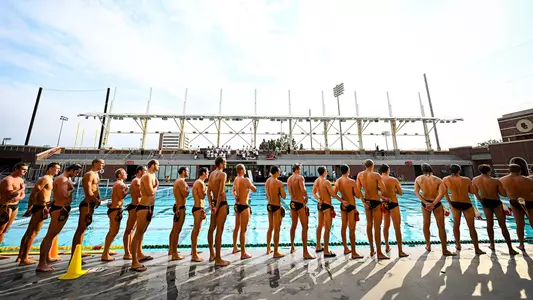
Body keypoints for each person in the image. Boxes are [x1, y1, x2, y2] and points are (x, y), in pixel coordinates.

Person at [36, 164, 82, 272]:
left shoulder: (64, 179)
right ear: (71, 170)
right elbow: (64, 195)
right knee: (50, 235)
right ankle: (41, 264)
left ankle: (47, 258)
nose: (77, 174)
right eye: (76, 172)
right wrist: (72, 189)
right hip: (60, 209)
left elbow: (57, 195)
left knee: (53, 235)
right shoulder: (63, 179)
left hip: (61, 208)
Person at [17, 162, 61, 265]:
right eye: (56, 168)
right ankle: (24, 259)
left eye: (59, 169)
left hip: (42, 206)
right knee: (33, 233)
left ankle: (21, 255)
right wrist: (30, 208)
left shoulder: (50, 179)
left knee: (29, 232)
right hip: (39, 207)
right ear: (50, 168)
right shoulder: (45, 178)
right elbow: (33, 194)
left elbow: (43, 194)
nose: (58, 170)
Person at [436, 164, 485, 254]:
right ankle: (477, 248)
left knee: (456, 225)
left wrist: (450, 202)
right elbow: (473, 191)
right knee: (471, 227)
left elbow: (444, 193)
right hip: (466, 203)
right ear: (459, 171)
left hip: (454, 203)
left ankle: (458, 244)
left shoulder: (445, 179)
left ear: (450, 171)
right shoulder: (466, 179)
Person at [472, 164, 517, 255]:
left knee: (489, 224)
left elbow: (475, 192)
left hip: (485, 202)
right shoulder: (495, 181)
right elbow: (503, 194)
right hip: (496, 202)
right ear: (489, 171)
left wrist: (481, 200)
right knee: (503, 225)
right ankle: (510, 248)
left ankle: (492, 244)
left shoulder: (475, 180)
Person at [414, 163, 455, 256]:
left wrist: (425, 203)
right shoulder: (438, 180)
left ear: (422, 170)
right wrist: (433, 204)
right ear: (431, 169)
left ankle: (428, 245)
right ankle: (444, 249)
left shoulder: (418, 179)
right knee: (441, 226)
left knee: (426, 223)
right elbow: (442, 193)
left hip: (425, 204)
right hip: (436, 203)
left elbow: (416, 192)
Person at [70, 159, 105, 263]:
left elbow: (96, 188)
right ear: (95, 163)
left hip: (92, 204)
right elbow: (88, 191)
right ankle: (73, 257)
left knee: (84, 229)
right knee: (80, 230)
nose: (103, 165)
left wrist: (99, 198)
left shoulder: (96, 174)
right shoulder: (89, 175)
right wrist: (96, 201)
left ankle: (79, 251)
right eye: (101, 163)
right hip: (87, 205)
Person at [130, 159, 159, 272]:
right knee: (138, 234)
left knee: (142, 233)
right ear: (152, 165)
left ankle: (140, 254)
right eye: (158, 165)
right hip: (143, 208)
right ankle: (134, 262)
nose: (159, 166)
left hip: (149, 207)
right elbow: (151, 192)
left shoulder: (152, 176)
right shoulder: (147, 176)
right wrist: (157, 185)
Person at [356, 159, 388, 259]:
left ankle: (371, 249)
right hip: (376, 201)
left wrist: (363, 202)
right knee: (377, 227)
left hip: (367, 202)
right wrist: (378, 190)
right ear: (372, 165)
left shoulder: (360, 175)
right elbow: (384, 189)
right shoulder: (376, 175)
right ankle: (379, 252)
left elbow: (358, 190)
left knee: (369, 224)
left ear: (365, 166)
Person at [500, 164, 533, 250]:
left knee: (520, 224)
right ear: (520, 170)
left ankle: (521, 244)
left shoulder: (502, 180)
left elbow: (503, 194)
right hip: (529, 201)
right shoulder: (528, 180)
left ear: (510, 170)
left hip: (515, 201)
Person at [333, 164, 363, 259]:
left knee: (343, 226)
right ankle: (354, 252)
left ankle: (346, 248)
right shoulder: (352, 182)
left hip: (343, 206)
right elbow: (358, 196)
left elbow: (333, 194)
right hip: (351, 206)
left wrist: (342, 201)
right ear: (348, 171)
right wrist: (359, 187)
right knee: (352, 229)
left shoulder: (338, 181)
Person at [379, 164, 409, 258]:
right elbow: (400, 193)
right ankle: (400, 251)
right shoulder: (393, 180)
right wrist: (394, 189)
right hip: (394, 203)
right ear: (388, 170)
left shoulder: (378, 179)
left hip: (384, 204)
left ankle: (387, 246)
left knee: (386, 226)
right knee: (397, 227)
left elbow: (376, 193)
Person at [0, 162, 28, 260]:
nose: (25, 171)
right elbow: (11, 194)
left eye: (26, 170)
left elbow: (22, 195)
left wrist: (19, 197)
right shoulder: (8, 180)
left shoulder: (20, 179)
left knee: (5, 230)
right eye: (23, 169)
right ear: (16, 169)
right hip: (5, 206)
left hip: (15, 206)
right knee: (0, 230)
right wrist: (21, 189)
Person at [312, 166, 341, 258]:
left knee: (320, 226)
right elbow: (332, 194)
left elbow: (313, 192)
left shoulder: (317, 181)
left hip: (320, 205)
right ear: (324, 172)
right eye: (326, 171)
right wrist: (342, 200)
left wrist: (318, 199)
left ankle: (318, 246)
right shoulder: (326, 182)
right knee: (327, 229)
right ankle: (326, 251)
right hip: (327, 205)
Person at [287, 164, 315, 259]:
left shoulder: (289, 179)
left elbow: (290, 192)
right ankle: (305, 252)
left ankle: (292, 247)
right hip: (299, 203)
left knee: (293, 225)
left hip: (292, 203)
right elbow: (303, 189)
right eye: (300, 169)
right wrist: (306, 196)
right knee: (305, 227)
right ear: (297, 169)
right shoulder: (300, 177)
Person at [101, 168, 128, 261]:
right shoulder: (121, 184)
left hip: (114, 209)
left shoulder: (117, 183)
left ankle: (107, 250)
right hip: (115, 210)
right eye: (124, 173)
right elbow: (121, 196)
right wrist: (128, 190)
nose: (126, 174)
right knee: (113, 232)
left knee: (111, 232)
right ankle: (105, 254)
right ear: (120, 175)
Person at [207, 157, 230, 267]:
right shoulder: (222, 174)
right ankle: (219, 259)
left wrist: (211, 205)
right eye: (225, 162)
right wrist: (216, 207)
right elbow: (221, 192)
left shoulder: (211, 174)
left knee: (212, 228)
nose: (226, 164)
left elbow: (208, 191)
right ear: (220, 164)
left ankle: (212, 253)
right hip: (221, 204)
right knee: (219, 230)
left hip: (214, 202)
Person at [232, 164, 257, 259]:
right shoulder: (246, 180)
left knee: (236, 227)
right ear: (242, 170)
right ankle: (243, 253)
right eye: (245, 169)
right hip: (244, 206)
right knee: (243, 230)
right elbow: (254, 189)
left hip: (237, 206)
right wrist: (251, 183)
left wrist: (235, 196)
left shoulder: (236, 179)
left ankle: (235, 247)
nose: (246, 170)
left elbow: (233, 191)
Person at [123, 165, 146, 260]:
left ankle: (132, 251)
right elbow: (139, 193)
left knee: (133, 230)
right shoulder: (136, 181)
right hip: (134, 207)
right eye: (145, 170)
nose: (146, 172)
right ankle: (127, 252)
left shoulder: (139, 181)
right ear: (140, 171)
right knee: (129, 230)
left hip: (137, 206)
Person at [265, 166, 286, 258]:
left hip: (269, 206)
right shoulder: (279, 182)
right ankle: (276, 252)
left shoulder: (267, 181)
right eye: (279, 171)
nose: (280, 173)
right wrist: (282, 189)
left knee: (270, 228)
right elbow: (284, 196)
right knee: (277, 229)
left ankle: (268, 248)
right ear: (276, 172)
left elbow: (266, 195)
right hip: (276, 207)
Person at [169, 167, 189, 260]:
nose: (188, 172)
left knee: (174, 230)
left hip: (177, 206)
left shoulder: (178, 181)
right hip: (180, 208)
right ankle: (174, 254)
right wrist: (187, 189)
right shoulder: (181, 181)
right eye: (187, 171)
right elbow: (185, 194)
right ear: (183, 172)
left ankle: (171, 250)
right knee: (177, 231)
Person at [191, 167, 209, 262]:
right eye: (207, 172)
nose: (208, 173)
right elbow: (202, 196)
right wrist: (206, 189)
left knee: (197, 230)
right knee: (196, 230)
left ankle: (194, 250)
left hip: (198, 208)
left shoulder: (199, 182)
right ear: (203, 173)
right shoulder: (200, 183)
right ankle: (194, 255)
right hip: (198, 208)